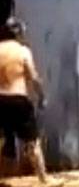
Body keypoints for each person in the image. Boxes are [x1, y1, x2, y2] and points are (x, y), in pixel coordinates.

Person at [0, 17, 62, 186]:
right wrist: (41, 96)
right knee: (32, 142)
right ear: (18, 33)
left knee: (3, 141)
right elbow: (33, 77)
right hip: (19, 99)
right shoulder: (22, 51)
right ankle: (44, 180)